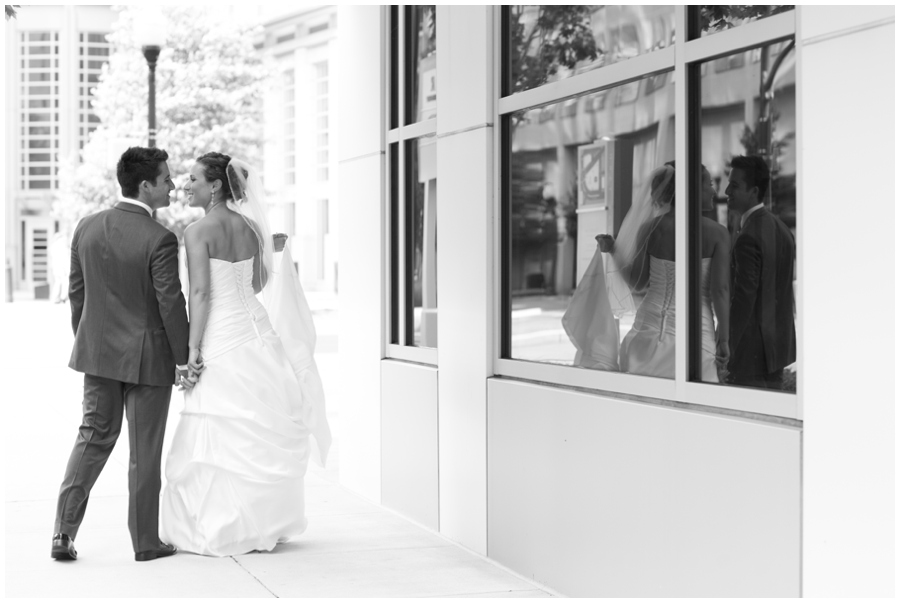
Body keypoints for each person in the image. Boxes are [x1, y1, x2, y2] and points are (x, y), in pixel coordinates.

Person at [160, 152, 330, 557]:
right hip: (256, 329)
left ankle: (225, 524)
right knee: (257, 423)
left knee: (221, 425)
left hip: (220, 333)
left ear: (216, 185)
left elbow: (200, 293)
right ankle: (263, 521)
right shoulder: (253, 227)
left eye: (193, 178)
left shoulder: (197, 231)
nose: (186, 184)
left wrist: (193, 347)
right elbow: (256, 284)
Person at [52, 146, 191, 562]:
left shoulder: (86, 227)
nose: (171, 185)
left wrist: (90, 340)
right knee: (144, 451)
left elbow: (78, 293)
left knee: (92, 439)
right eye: (166, 179)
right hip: (149, 361)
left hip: (98, 355)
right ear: (145, 185)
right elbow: (171, 302)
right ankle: (146, 542)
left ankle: (63, 533)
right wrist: (183, 360)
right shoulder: (160, 238)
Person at [563, 164, 730, 380]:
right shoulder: (718, 234)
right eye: (708, 184)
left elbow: (638, 283)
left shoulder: (651, 229)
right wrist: (724, 337)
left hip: (646, 334)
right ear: (691, 189)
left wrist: (614, 250)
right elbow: (721, 291)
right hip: (696, 335)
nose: (713, 190)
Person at [724, 155, 796, 389]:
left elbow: (744, 297)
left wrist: (727, 343)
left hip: (750, 354)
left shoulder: (748, 237)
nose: (726, 191)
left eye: (734, 185)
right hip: (778, 349)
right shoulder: (783, 230)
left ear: (754, 191)